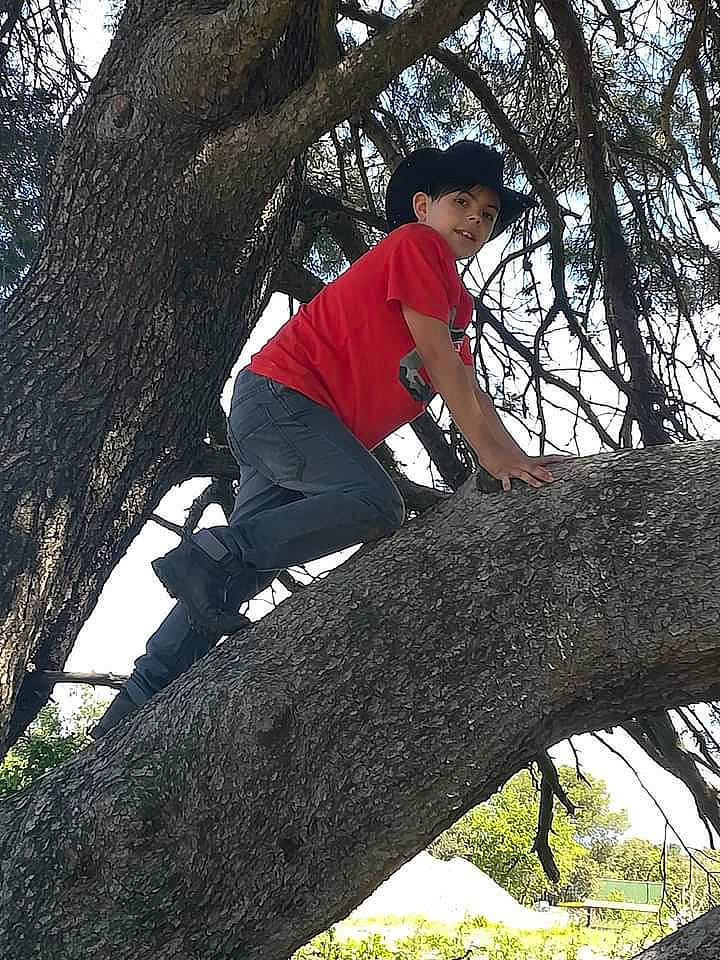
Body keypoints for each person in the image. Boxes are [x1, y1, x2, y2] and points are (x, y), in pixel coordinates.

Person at [90, 140, 565, 739]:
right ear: (422, 207)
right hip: (286, 402)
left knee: (237, 574)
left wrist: (512, 457)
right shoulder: (416, 248)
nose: (476, 217)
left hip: (296, 425)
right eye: (462, 202)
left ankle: (128, 717)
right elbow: (442, 369)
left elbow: (465, 385)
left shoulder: (455, 306)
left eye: (489, 215)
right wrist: (495, 459)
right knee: (374, 504)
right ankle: (213, 551)